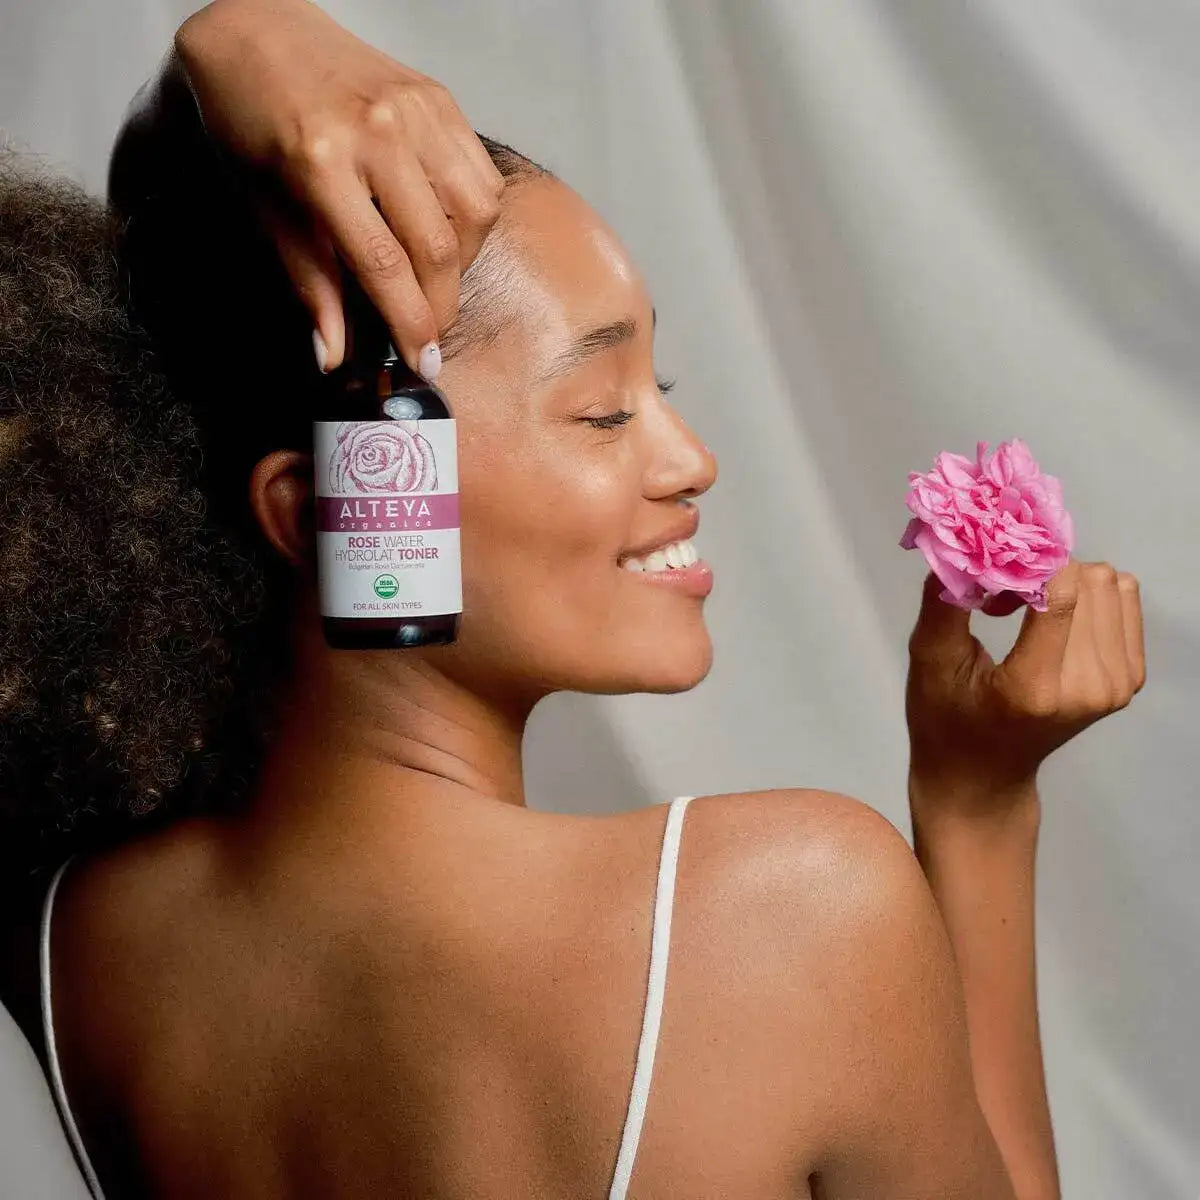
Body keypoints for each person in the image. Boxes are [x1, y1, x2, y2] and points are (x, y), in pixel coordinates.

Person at [0, 1, 1146, 1196]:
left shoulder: (73, 935)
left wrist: (227, 38)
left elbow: (169, 295)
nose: (690, 458)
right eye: (602, 409)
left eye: (665, 385)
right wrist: (978, 809)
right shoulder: (786, 912)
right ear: (321, 511)